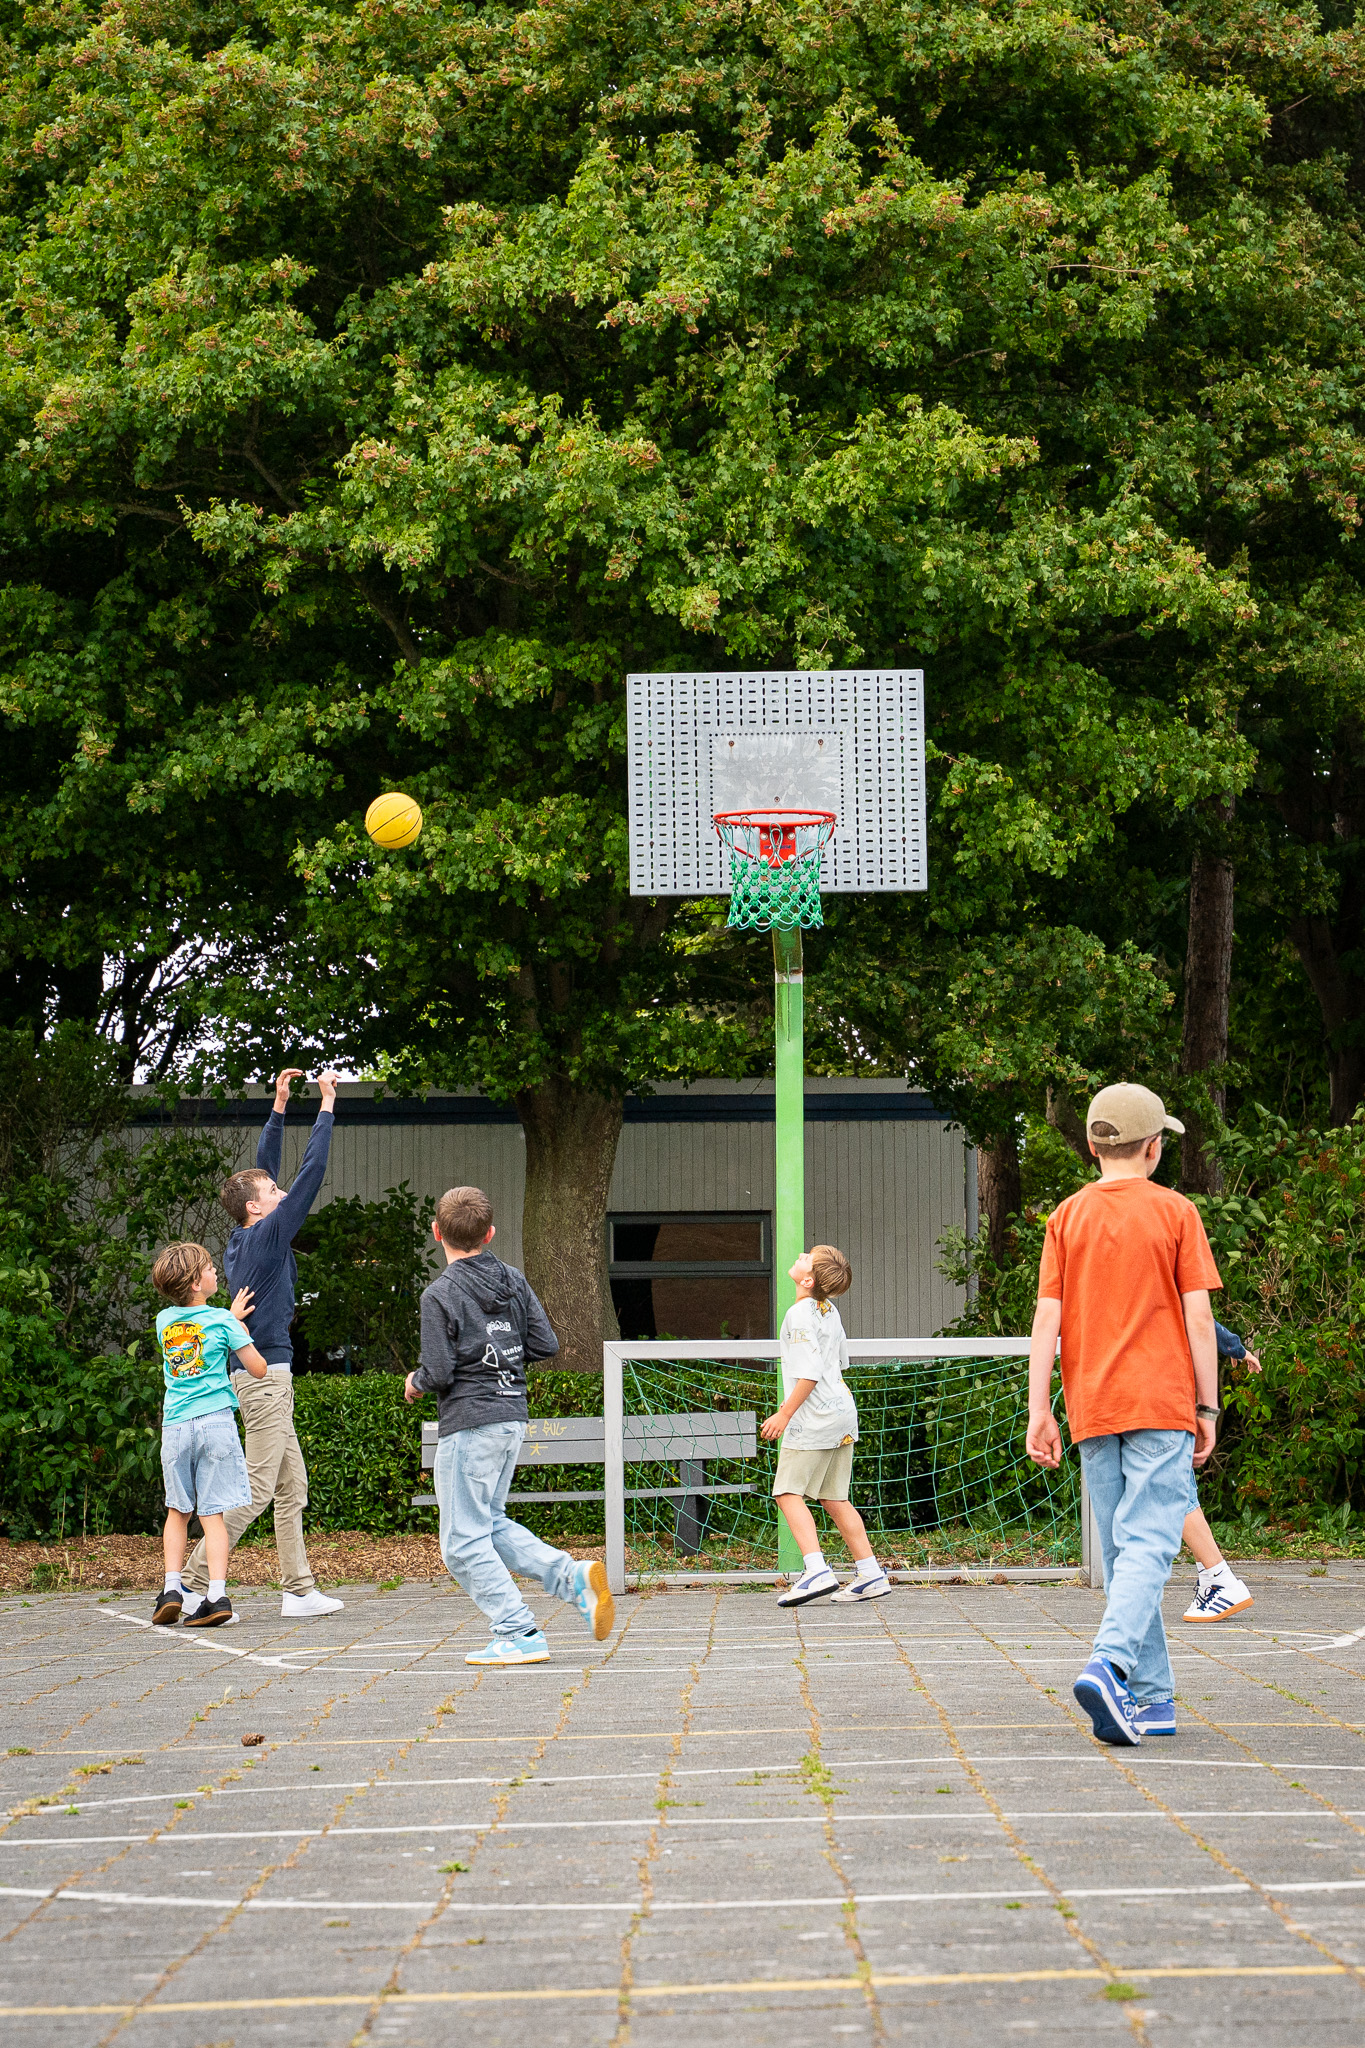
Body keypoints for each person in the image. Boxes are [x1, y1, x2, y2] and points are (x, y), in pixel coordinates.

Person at [1026, 1082, 1221, 1745]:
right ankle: (1109, 1665)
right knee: (1145, 1547)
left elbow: (1046, 1320)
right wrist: (1207, 1403)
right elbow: (1198, 1316)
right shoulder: (1174, 1213)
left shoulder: (1066, 1216)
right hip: (1160, 1399)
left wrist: (1037, 1408)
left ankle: (1153, 1700)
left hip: (1089, 1404)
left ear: (1090, 1145)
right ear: (1154, 1147)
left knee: (1122, 1551)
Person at [403, 1185, 615, 1665]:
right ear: (491, 1233)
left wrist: (415, 1381)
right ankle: (572, 1578)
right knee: (488, 1523)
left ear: (437, 1233)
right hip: (509, 1417)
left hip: (470, 1422)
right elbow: (545, 1343)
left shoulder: (440, 1293)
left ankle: (517, 1631)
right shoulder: (512, 1279)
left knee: (461, 1542)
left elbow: (437, 1373)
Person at [181, 1067, 344, 1621]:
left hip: (267, 1376)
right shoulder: (268, 1233)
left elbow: (265, 1172)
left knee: (290, 1487)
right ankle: (189, 1581)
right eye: (272, 1194)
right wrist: (324, 1105)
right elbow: (310, 1172)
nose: (279, 1193)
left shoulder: (245, 1235)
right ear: (258, 1207)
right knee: (255, 1488)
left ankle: (298, 1590)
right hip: (265, 1378)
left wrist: (278, 1107)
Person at [761, 1244, 892, 1608]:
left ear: (807, 1279)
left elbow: (810, 1373)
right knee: (835, 1498)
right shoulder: (829, 1310)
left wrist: (784, 1414)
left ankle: (816, 1569)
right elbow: (840, 1363)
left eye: (806, 1256)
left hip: (813, 1420)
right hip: (842, 1414)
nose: (800, 1254)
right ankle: (870, 1574)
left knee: (787, 1492)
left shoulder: (799, 1314)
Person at [151, 1240, 269, 1629]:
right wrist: (237, 1328)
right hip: (215, 1422)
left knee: (177, 1510)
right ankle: (216, 1596)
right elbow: (258, 1370)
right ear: (196, 1283)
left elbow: (195, 1325)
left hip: (175, 1426)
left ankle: (172, 1589)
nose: (215, 1271)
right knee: (213, 1515)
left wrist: (227, 1319)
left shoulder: (164, 1321)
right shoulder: (224, 1322)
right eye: (208, 1268)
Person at [1181, 1320, 1259, 1621]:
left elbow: (1196, 1313)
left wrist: (1233, 1346)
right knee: (1173, 1488)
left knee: (1172, 1490)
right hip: (1165, 1389)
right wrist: (1234, 1347)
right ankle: (1211, 1577)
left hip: (1162, 1392)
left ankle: (1219, 1577)